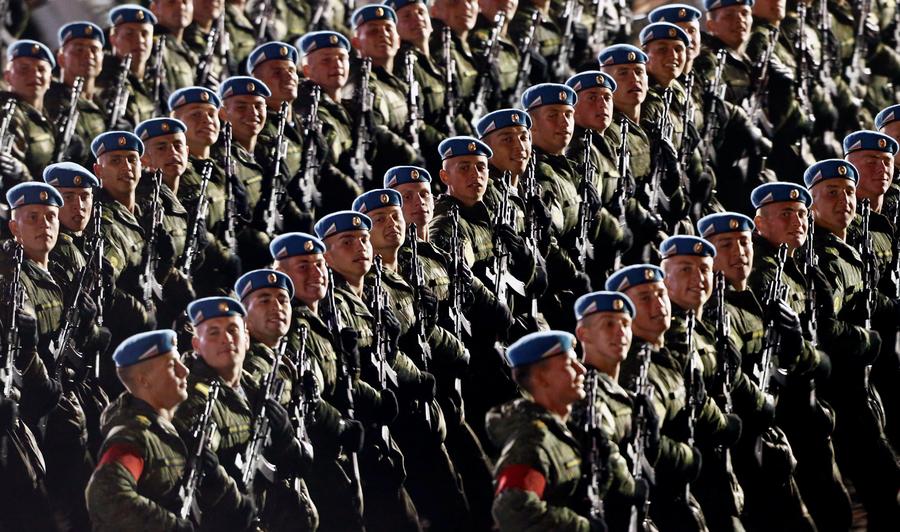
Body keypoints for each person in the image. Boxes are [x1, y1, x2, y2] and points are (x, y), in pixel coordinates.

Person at [85, 329, 254, 531]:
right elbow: (106, 496)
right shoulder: (133, 436)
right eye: (172, 367)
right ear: (144, 380)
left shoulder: (174, 431)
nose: (185, 371)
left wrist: (217, 481)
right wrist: (172, 527)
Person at [487, 330, 606, 531]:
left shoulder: (560, 432)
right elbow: (513, 510)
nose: (581, 370)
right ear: (542, 379)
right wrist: (582, 527)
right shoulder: (533, 441)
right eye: (570, 364)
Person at [572, 290, 657, 532]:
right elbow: (604, 452)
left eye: (625, 324)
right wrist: (633, 486)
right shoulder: (585, 392)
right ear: (583, 333)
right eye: (608, 324)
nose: (620, 333)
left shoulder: (621, 393)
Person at [0, 40, 57, 192]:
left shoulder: (46, 116)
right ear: (8, 77)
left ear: (50, 79)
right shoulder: (7, 114)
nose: (35, 74)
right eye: (24, 69)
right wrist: (22, 175)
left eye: (41, 69)